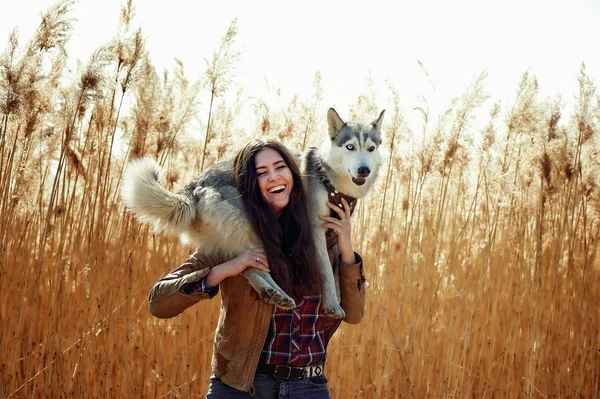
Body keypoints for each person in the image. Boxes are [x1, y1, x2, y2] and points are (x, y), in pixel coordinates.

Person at [148, 139, 367, 398]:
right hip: (243, 387)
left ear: (294, 174)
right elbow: (158, 302)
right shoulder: (230, 237)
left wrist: (345, 245)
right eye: (261, 173)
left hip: (308, 387)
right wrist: (230, 267)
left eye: (280, 167)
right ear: (249, 184)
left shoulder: (323, 239)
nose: (273, 177)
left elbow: (353, 314)